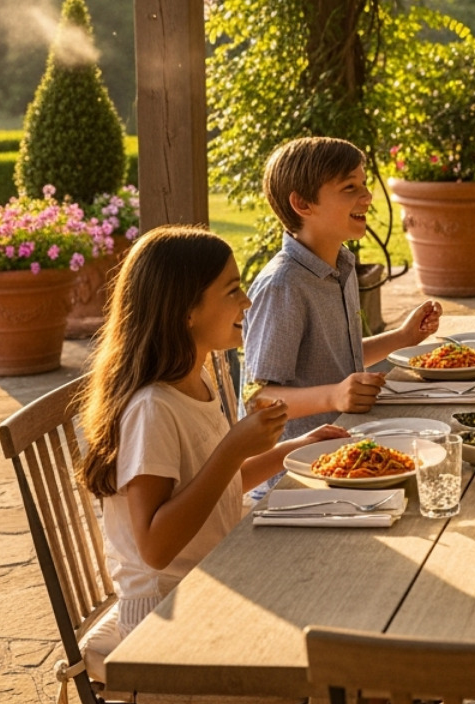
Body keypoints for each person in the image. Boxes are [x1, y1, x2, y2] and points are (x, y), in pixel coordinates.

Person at [75, 226, 351, 643]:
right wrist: (232, 448)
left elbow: (212, 488)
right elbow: (154, 547)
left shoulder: (195, 379)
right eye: (232, 290)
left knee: (341, 579)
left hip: (211, 579)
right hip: (165, 617)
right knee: (342, 622)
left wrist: (292, 450)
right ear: (186, 312)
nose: (248, 301)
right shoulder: (153, 408)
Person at [245, 137, 442, 439]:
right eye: (350, 187)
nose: (367, 196)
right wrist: (333, 396)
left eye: (364, 184)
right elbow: (257, 400)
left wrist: (404, 337)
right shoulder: (283, 286)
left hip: (348, 443)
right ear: (302, 204)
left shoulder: (341, 266)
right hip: (295, 471)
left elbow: (333, 361)